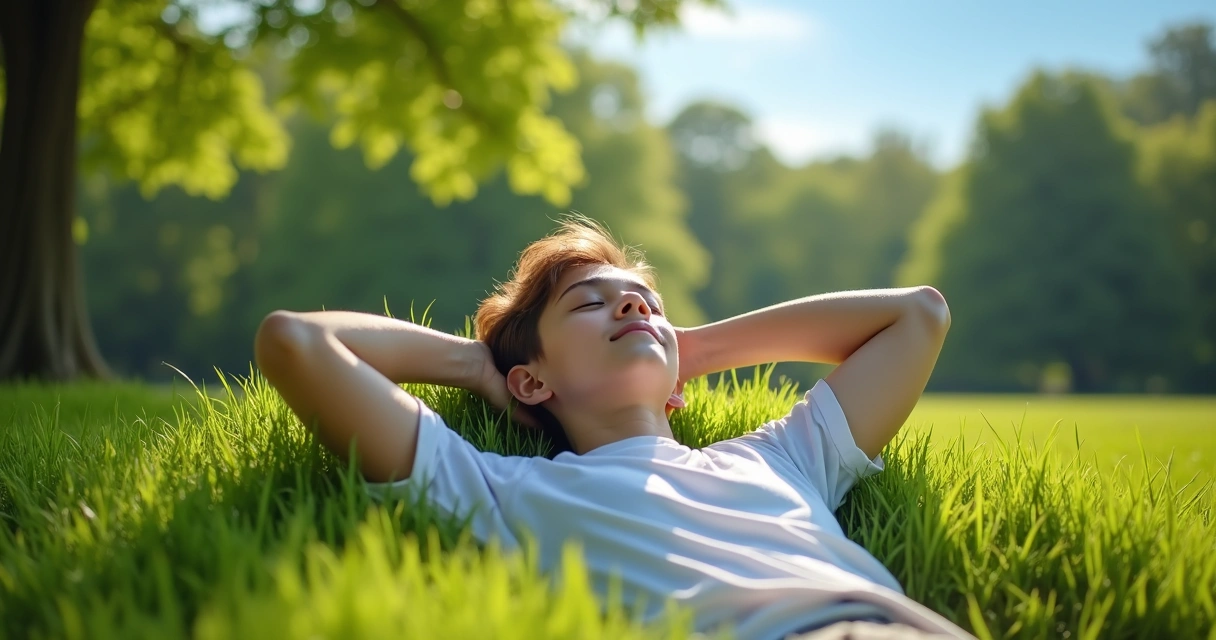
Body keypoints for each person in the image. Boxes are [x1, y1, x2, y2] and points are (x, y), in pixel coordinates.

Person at [253, 215, 974, 640]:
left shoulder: (780, 459)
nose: (633, 309)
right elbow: (297, 344)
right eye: (591, 305)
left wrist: (688, 347)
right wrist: (482, 367)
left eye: (646, 302)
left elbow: (918, 315)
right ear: (533, 381)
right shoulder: (499, 489)